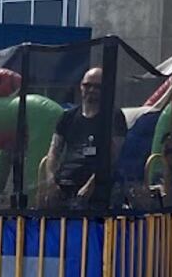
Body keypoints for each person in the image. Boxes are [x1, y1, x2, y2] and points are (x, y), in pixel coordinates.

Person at [43, 67, 128, 205]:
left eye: (97, 87)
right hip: (65, 182)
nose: (91, 90)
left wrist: (91, 185)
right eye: (87, 85)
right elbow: (53, 151)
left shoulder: (114, 117)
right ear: (80, 87)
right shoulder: (67, 117)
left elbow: (113, 158)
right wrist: (51, 181)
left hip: (97, 186)